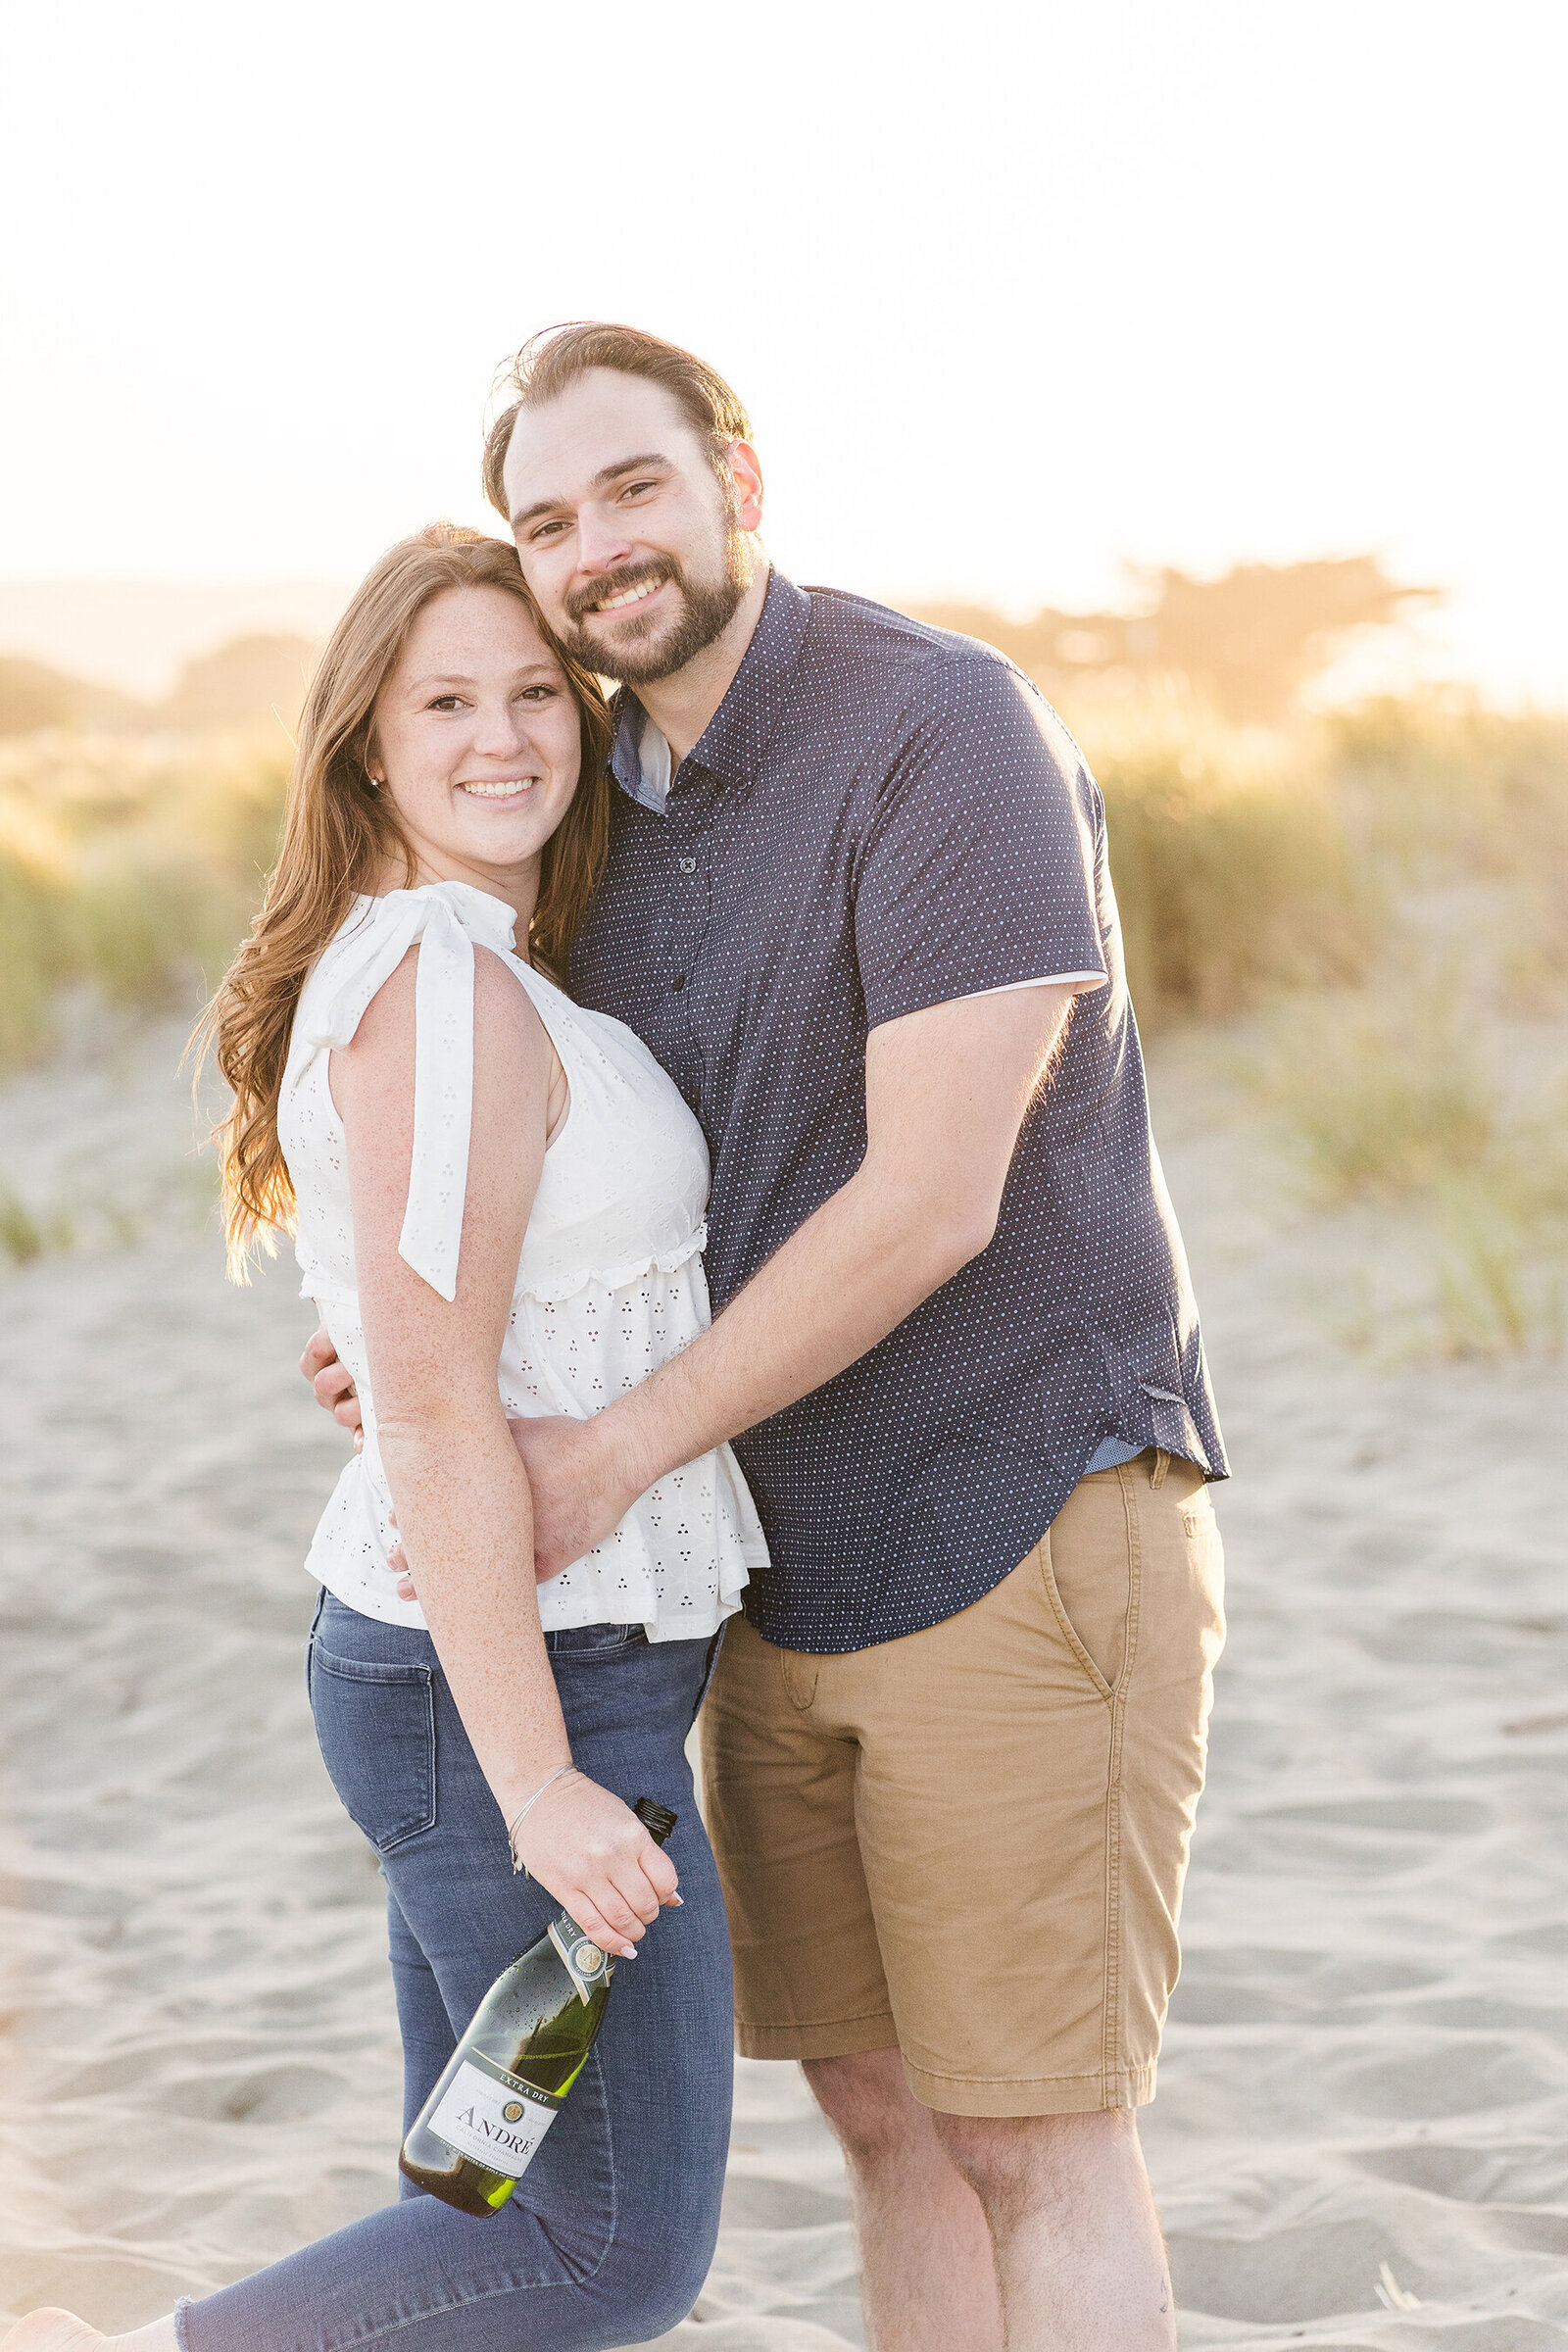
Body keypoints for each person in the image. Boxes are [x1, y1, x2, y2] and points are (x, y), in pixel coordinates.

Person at [310, 325, 1230, 2352]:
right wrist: (426, 1344)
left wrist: (607, 1446)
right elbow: (598, 1184)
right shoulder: (603, 809)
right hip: (764, 1574)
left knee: (1033, 2137)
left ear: (738, 478)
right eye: (545, 520)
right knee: (888, 2121)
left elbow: (926, 1194)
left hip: (1011, 1513)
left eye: (629, 486)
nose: (593, 547)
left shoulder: (938, 728)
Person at [7, 523, 766, 2352]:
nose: (503, 736)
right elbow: (433, 1410)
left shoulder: (466, 959)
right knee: (603, 2252)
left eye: (532, 693)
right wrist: (539, 1788)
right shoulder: (441, 982)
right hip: (513, 1683)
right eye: (446, 701)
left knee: (482, 2206)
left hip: (519, 1659)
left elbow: (440, 1339)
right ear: (366, 744)